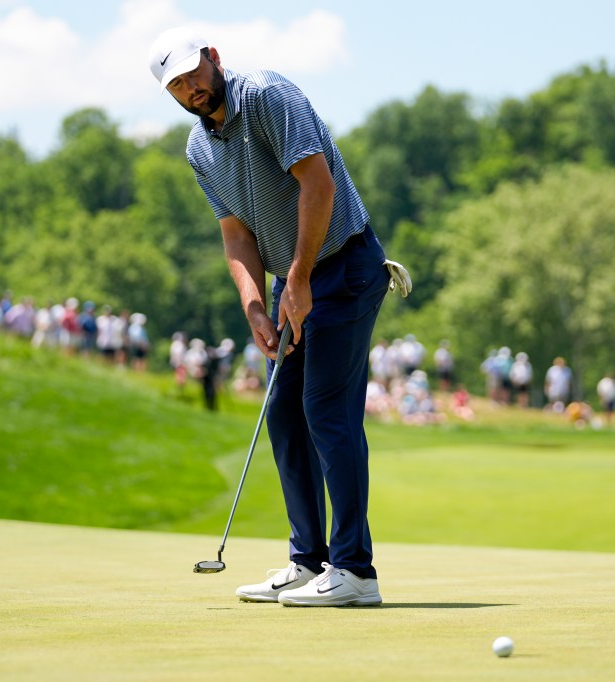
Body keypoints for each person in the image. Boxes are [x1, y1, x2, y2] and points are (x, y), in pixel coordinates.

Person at [149, 27, 410, 607]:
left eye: (194, 72)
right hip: (293, 280)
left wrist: (295, 278)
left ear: (214, 58)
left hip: (343, 265)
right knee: (284, 416)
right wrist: (253, 304)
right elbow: (236, 234)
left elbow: (317, 186)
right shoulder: (198, 148)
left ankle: (355, 571)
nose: (191, 87)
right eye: (177, 85)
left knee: (326, 410)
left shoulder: (267, 95)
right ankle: (309, 560)